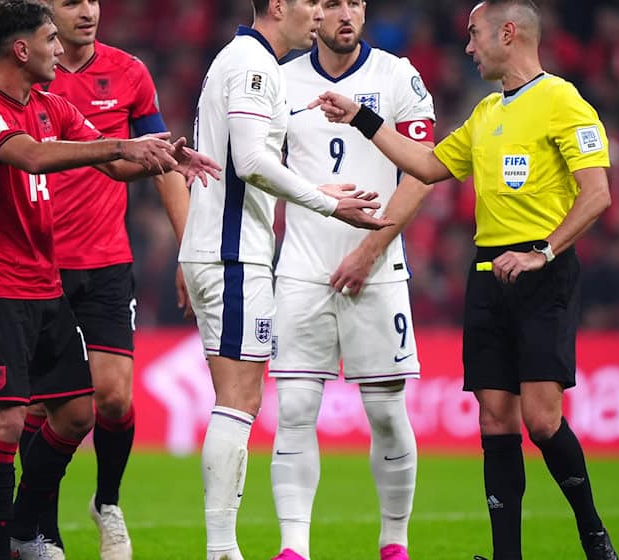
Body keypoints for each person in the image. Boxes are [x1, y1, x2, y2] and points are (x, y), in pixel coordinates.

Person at [310, 1, 619, 558]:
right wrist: (361, 116)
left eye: (475, 35)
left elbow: (597, 194)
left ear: (508, 33)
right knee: (494, 418)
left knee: (542, 421)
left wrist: (542, 253)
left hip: (541, 273)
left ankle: (594, 534)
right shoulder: (486, 114)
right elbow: (426, 165)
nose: (469, 47)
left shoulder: (562, 101)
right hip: (487, 273)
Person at [0, 2, 218, 559]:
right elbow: (32, 158)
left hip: (52, 280)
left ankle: (40, 524)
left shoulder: (51, 104)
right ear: (22, 48)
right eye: (50, 37)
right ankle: (10, 546)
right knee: (6, 421)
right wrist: (122, 144)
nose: (60, 47)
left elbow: (115, 163)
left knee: (81, 410)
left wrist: (163, 159)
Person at [178, 1, 395, 558]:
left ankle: (222, 547)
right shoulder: (252, 65)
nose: (319, 15)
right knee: (239, 400)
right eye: (312, 4)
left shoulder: (242, 60)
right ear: (279, 5)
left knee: (238, 399)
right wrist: (324, 200)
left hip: (221, 251)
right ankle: (221, 548)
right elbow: (250, 159)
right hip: (232, 255)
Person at [16, 1, 193, 558]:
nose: (88, 11)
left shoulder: (129, 73)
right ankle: (39, 529)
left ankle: (107, 503)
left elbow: (163, 162)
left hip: (107, 263)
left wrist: (190, 251)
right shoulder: (24, 78)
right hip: (41, 265)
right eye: (72, 2)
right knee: (46, 409)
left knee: (113, 399)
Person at [268, 1, 435, 559]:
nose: (346, 13)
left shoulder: (397, 75)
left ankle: (395, 543)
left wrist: (370, 248)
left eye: (355, 3)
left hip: (379, 268)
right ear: (313, 13)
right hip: (301, 270)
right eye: (333, 3)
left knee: (386, 412)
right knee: (293, 410)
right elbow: (259, 169)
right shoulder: (280, 79)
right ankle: (293, 549)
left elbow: (422, 168)